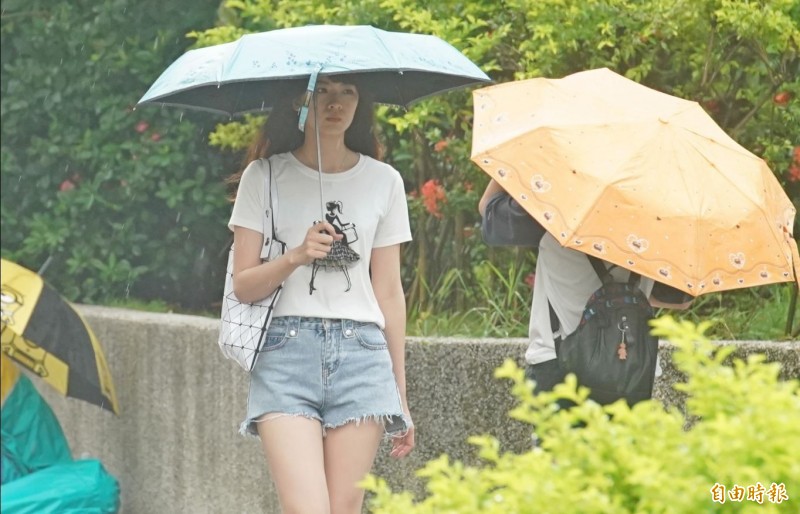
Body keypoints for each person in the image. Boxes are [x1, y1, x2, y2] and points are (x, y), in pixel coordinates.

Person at [227, 74, 414, 514]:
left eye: (347, 92)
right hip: (285, 354)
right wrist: (295, 256)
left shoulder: (384, 181)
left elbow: (388, 291)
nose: (336, 103)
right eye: (323, 92)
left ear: (359, 103)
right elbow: (244, 285)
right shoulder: (265, 176)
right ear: (300, 101)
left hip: (363, 355)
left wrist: (400, 394)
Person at [479, 179, 693, 399]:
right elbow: (681, 299)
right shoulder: (653, 222)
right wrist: (625, 291)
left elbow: (489, 210)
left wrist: (518, 154)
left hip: (557, 366)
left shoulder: (551, 208)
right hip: (631, 369)